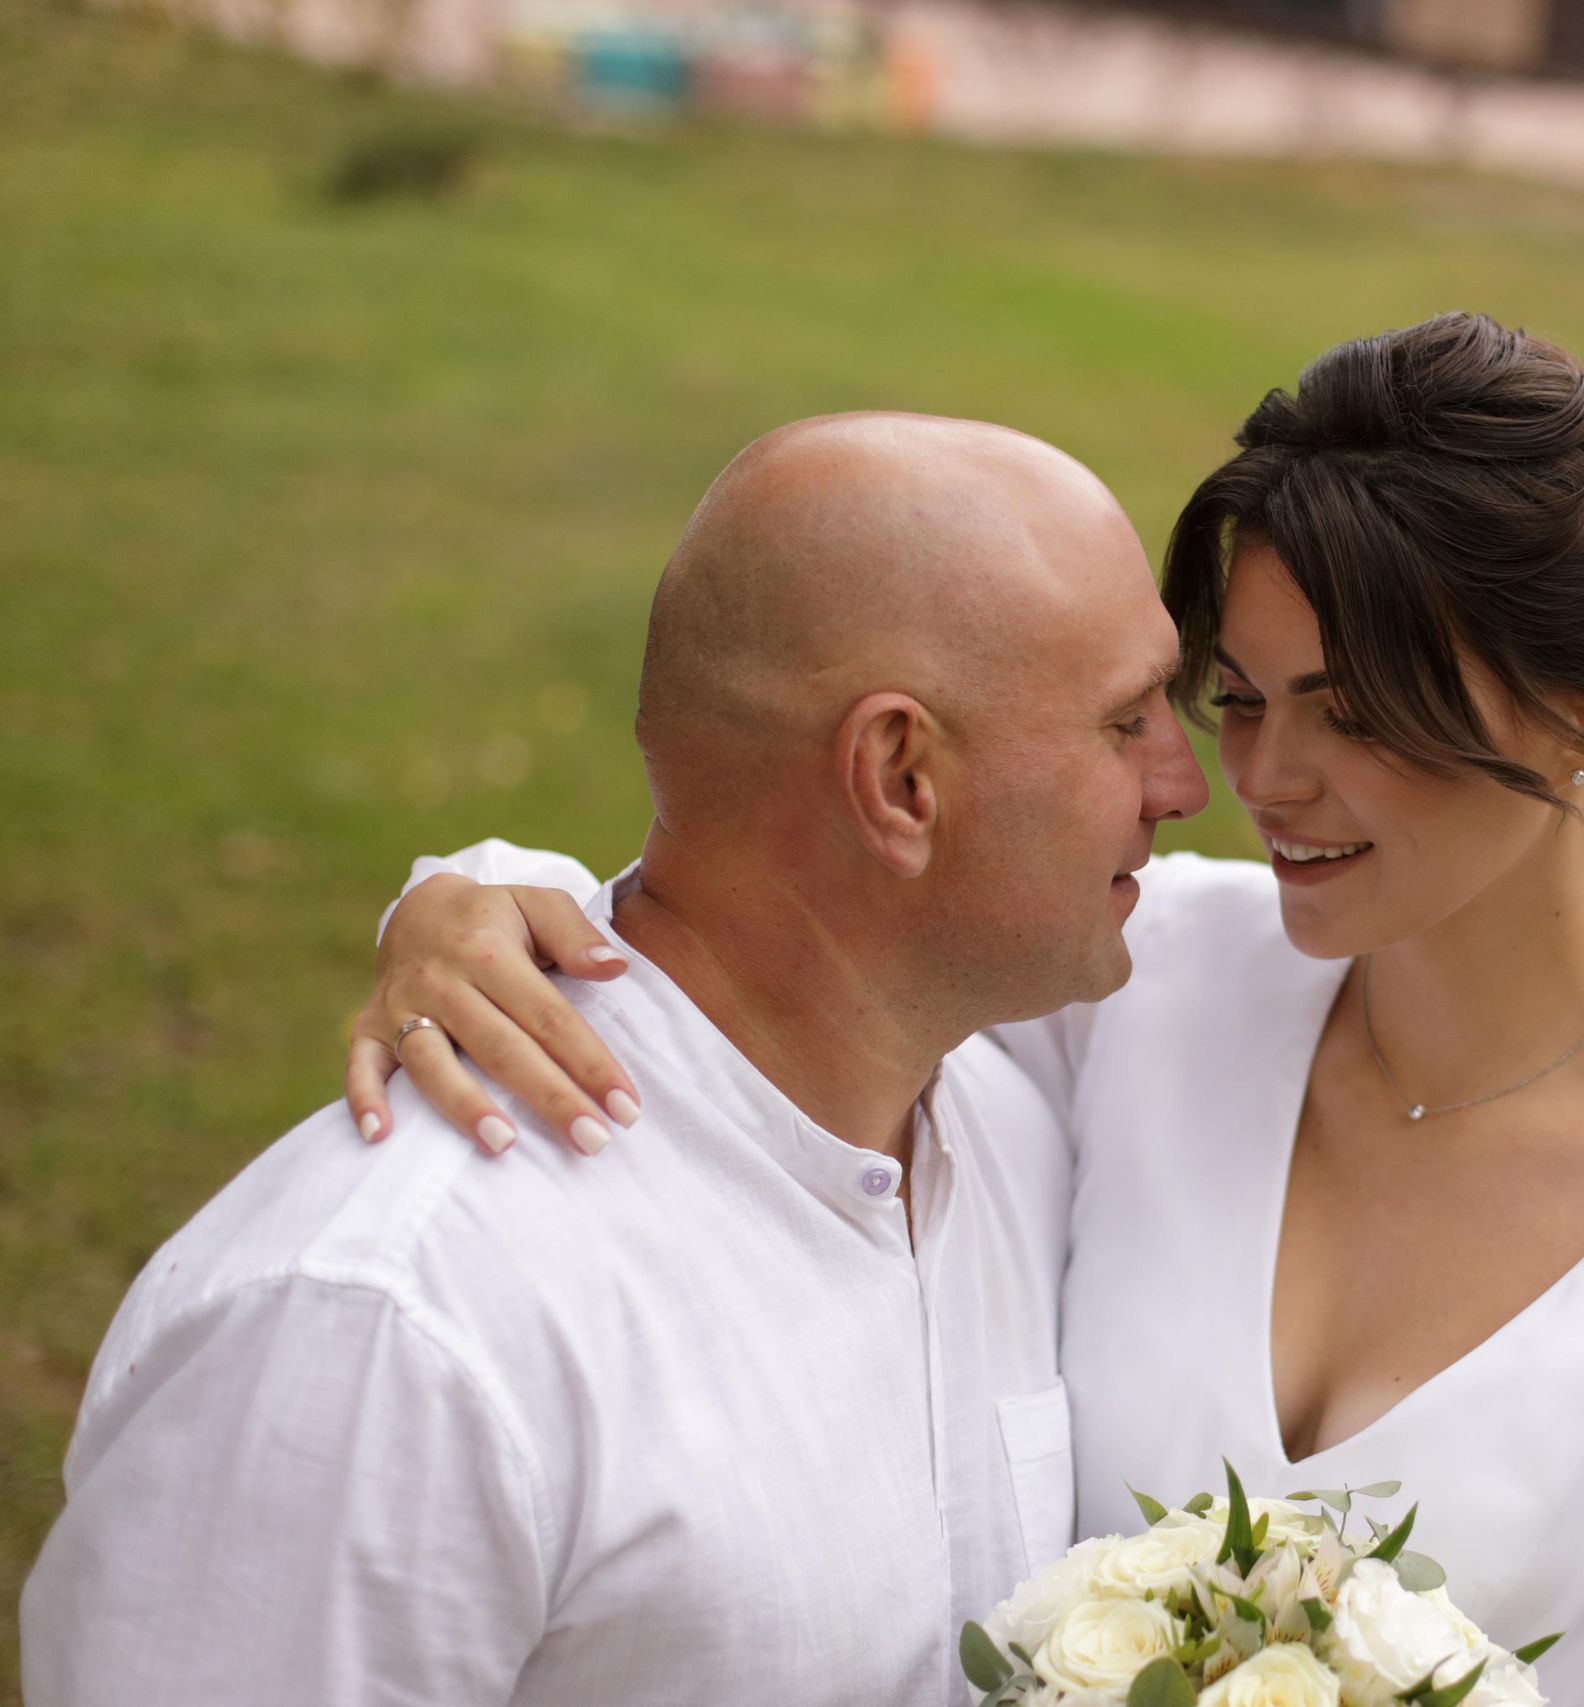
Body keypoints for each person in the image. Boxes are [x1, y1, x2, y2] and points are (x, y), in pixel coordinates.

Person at [348, 315, 1584, 1705]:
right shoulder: (1140, 985)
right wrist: (475, 894)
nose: (1255, 782)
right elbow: (783, 928)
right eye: (1243, 698)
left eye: (1355, 714)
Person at [21, 414, 1208, 1706]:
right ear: (900, 780)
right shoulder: (393, 1332)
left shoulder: (1012, 1130)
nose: (1182, 782)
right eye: (1128, 718)